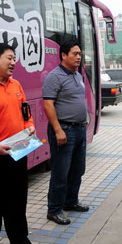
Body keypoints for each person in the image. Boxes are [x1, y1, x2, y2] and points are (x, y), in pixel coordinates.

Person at [0, 43, 46, 244]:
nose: (14, 62)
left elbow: (26, 113)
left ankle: (20, 242)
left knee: (18, 202)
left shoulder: (16, 85)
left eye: (14, 58)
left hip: (19, 151)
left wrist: (30, 127)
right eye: (9, 57)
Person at [43, 38, 89, 225]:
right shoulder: (54, 76)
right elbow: (48, 104)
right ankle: (54, 210)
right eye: (75, 54)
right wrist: (57, 129)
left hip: (79, 129)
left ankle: (70, 201)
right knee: (60, 172)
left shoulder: (77, 75)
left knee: (78, 169)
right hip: (64, 130)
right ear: (63, 55)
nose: (79, 57)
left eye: (80, 54)